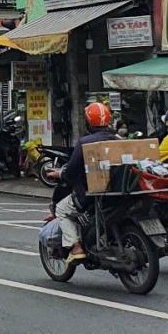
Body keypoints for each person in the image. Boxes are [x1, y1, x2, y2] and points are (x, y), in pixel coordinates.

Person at [49, 100, 112, 262]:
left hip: (91, 193)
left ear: (88, 122)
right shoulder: (118, 139)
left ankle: (75, 247)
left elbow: (71, 171)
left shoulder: (85, 142)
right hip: (116, 193)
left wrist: (60, 174)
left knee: (62, 210)